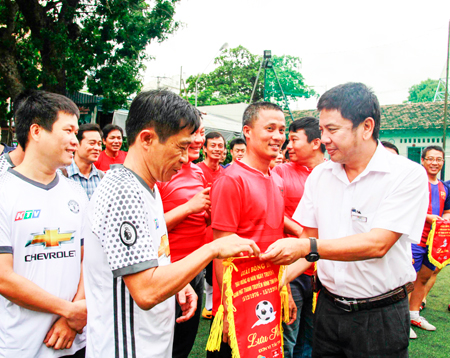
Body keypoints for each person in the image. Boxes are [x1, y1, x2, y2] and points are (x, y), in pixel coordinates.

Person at [82, 90, 259, 358]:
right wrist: (212, 248)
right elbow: (145, 290)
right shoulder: (123, 193)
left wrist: (179, 284)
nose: (187, 158)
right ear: (147, 139)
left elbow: (151, 257)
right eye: (181, 146)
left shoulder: (147, 188)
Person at [262, 82, 428, 358]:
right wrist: (273, 280)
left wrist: (308, 248)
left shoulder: (406, 175)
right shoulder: (320, 176)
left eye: (332, 129)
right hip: (327, 309)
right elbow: (308, 245)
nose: (324, 138)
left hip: (380, 316)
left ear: (366, 127)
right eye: (322, 129)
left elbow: (377, 244)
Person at [0, 90, 88, 357]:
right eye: (68, 131)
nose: (76, 141)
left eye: (77, 133)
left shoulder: (76, 193)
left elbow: (87, 260)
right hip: (20, 346)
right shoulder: (4, 192)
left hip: (74, 341)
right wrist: (68, 310)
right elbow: (4, 277)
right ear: (36, 132)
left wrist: (73, 317)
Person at [208, 101, 288, 358]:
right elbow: (221, 251)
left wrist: (284, 291)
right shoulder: (231, 179)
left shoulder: (276, 178)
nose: (278, 137)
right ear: (248, 131)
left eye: (282, 130)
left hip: (268, 293)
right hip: (237, 298)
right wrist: (228, 309)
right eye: (270, 128)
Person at [156, 120, 210, 358]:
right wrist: (189, 208)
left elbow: (203, 218)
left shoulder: (198, 171)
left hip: (195, 270)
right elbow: (151, 229)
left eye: (202, 133)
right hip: (170, 269)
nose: (199, 140)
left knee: (185, 342)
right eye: (193, 134)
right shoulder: (162, 174)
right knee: (167, 344)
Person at [272, 117, 325, 358]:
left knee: (312, 335)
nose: (287, 145)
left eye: (294, 139)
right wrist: (302, 237)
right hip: (292, 267)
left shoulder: (332, 173)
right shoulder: (280, 171)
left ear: (315, 143)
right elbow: (273, 211)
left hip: (322, 270)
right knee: (287, 335)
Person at [409, 145, 450, 339]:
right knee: (408, 279)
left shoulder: (444, 187)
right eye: (431, 159)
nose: (435, 163)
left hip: (434, 241)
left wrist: (445, 219)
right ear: (423, 160)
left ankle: (413, 314)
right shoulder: (415, 183)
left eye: (439, 159)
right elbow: (407, 208)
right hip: (415, 238)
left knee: (424, 277)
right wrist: (429, 218)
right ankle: (401, 319)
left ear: (443, 162)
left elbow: (447, 211)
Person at [197, 131, 226, 319]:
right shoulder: (197, 171)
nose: (216, 149)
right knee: (204, 269)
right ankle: (206, 302)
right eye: (213, 145)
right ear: (205, 148)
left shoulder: (227, 173)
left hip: (222, 228)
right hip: (203, 228)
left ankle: (213, 303)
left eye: (220, 146)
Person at [61, 123, 104, 199]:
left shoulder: (102, 178)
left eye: (99, 144)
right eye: (92, 143)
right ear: (77, 144)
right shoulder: (61, 175)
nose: (97, 148)